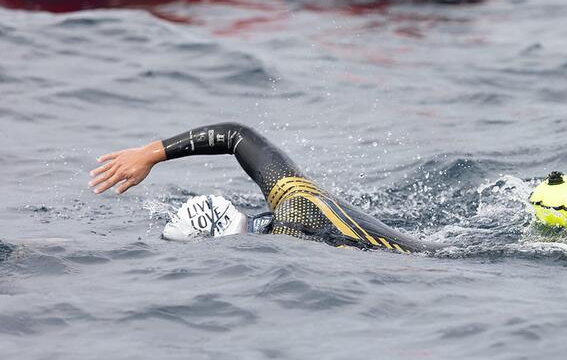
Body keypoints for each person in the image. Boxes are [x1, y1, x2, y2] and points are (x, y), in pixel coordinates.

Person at [89, 123, 439, 254]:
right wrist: (150, 154)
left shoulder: (292, 235)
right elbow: (236, 135)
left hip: (436, 266)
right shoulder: (293, 196)